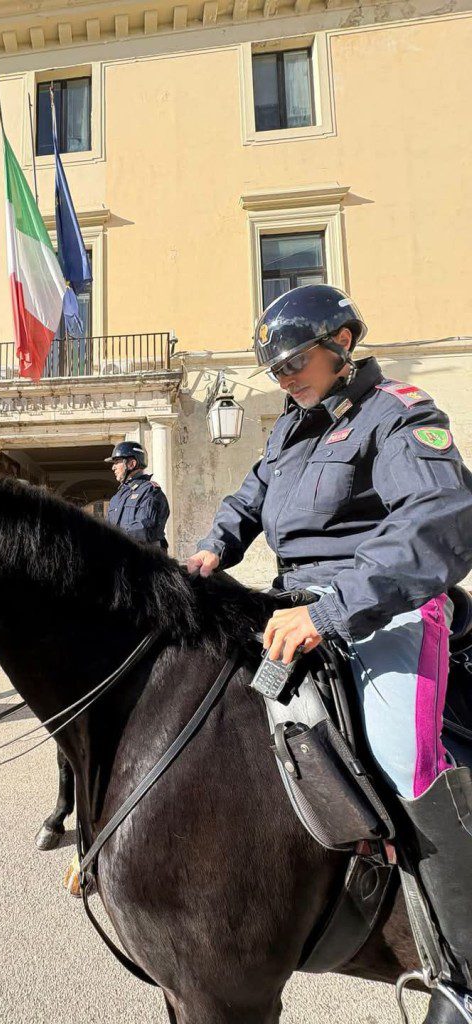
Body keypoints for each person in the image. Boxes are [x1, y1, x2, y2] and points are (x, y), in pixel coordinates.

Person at [187, 284, 472, 999]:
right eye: (276, 371)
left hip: (389, 609)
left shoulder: (398, 414)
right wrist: (210, 550)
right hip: (294, 605)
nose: (286, 379)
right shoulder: (289, 428)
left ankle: (465, 973)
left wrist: (336, 608)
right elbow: (249, 497)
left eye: (295, 362)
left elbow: (441, 519)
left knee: (404, 757)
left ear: (343, 342)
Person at [105, 441, 170, 549]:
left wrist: (114, 535)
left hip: (145, 560)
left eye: (117, 462)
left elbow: (145, 528)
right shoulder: (116, 498)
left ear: (131, 464)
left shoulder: (150, 491)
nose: (113, 467)